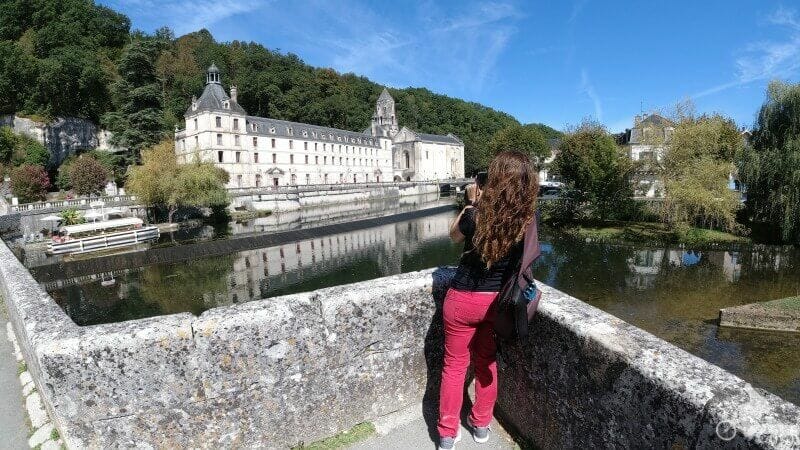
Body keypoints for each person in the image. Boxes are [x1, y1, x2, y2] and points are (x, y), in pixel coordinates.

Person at [438, 151, 539, 449]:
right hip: (497, 304)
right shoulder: (527, 217)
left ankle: (446, 434)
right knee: (485, 363)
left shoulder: (475, 212)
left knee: (454, 367)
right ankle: (481, 427)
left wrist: (470, 203)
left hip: (461, 300)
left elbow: (453, 236)